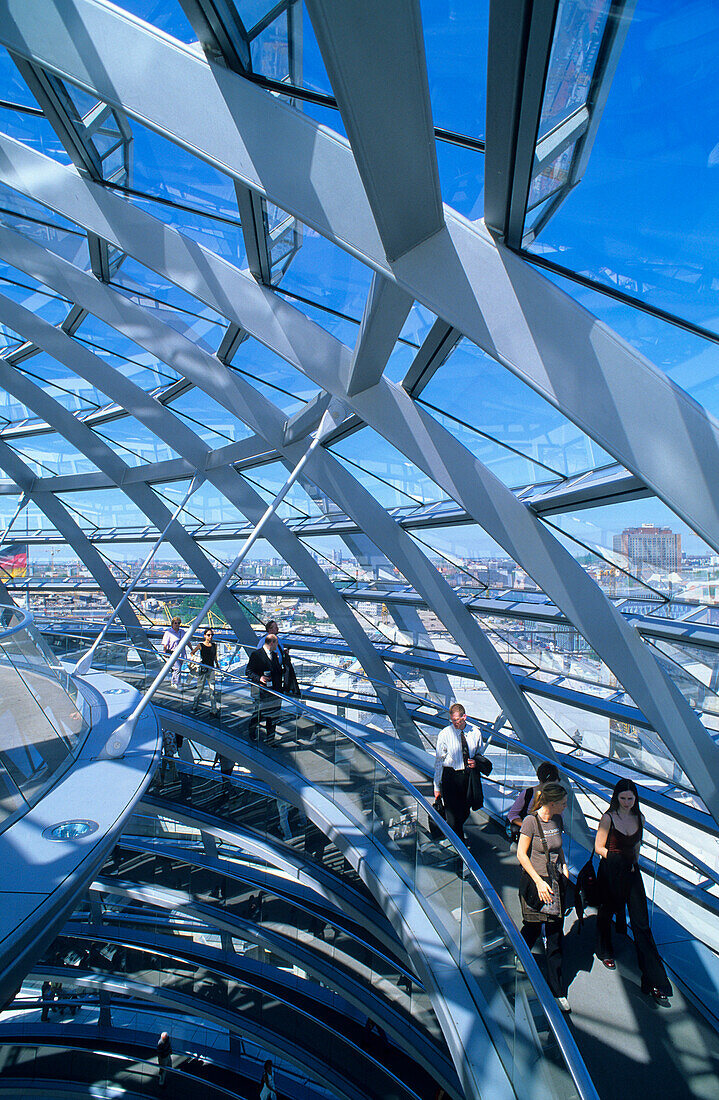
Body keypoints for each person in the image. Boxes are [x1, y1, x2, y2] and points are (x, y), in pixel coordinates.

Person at [595, 778, 672, 1007]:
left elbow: (636, 847)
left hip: (630, 872)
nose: (627, 802)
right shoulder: (608, 818)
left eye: (631, 798)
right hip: (611, 870)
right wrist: (617, 859)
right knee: (607, 911)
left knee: (641, 924)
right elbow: (598, 846)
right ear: (616, 797)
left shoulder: (640, 818)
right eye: (623, 798)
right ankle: (604, 950)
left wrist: (632, 865)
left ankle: (653, 979)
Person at [517, 782, 571, 1013]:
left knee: (555, 936)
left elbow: (558, 848)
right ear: (552, 803)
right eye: (563, 803)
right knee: (532, 927)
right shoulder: (531, 821)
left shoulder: (557, 821)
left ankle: (557, 991)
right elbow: (521, 853)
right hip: (536, 884)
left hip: (555, 883)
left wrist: (565, 866)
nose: (566, 806)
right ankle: (518, 954)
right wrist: (538, 882)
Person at [433, 703, 485, 844]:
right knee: (451, 815)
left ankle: (456, 837)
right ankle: (458, 844)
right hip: (450, 776)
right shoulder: (445, 734)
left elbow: (480, 753)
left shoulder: (475, 733)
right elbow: (439, 761)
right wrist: (437, 786)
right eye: (453, 720)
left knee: (464, 811)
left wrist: (476, 763)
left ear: (464, 717)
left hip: (468, 777)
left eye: (457, 720)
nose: (455, 723)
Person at [507, 761, 560, 843]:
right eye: (550, 784)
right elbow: (512, 814)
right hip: (530, 837)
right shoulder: (528, 794)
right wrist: (529, 828)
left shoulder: (557, 797)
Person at [245, 633, 283, 741]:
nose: (278, 646)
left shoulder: (274, 655)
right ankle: (252, 732)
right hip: (262, 691)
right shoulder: (256, 655)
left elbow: (278, 672)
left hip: (274, 691)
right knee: (260, 713)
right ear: (271, 643)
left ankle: (270, 739)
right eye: (276, 643)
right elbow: (248, 671)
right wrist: (259, 678)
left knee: (273, 715)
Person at [191, 627, 220, 715]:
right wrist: (196, 659)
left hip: (211, 669)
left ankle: (213, 709)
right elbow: (192, 652)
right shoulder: (200, 645)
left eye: (211, 635)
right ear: (204, 636)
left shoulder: (214, 645)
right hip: (203, 669)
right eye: (208, 635)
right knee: (200, 689)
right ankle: (195, 705)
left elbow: (215, 657)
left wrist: (217, 666)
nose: (210, 637)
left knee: (212, 689)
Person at [161, 616, 185, 688]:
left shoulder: (182, 632)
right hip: (173, 652)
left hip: (181, 652)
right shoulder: (168, 632)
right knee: (177, 668)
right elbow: (165, 643)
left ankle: (176, 681)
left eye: (178, 623)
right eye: (175, 623)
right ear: (172, 624)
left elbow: (187, 641)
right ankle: (175, 683)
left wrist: (192, 650)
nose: (177, 624)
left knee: (179, 667)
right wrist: (164, 651)